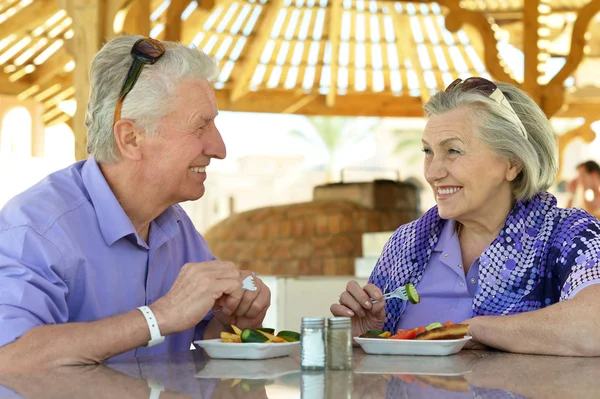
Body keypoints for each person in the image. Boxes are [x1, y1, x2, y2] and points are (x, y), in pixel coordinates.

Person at [0, 35, 271, 371]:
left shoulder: (175, 227)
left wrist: (236, 320)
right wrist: (158, 317)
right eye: (200, 126)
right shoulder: (35, 230)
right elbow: (9, 357)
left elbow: (206, 347)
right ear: (130, 138)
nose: (219, 148)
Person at [331, 77, 600, 356]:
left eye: (453, 151)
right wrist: (364, 336)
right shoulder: (405, 245)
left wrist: (474, 329)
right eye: (428, 151)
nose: (433, 173)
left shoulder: (570, 235)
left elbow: (594, 325)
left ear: (512, 163)